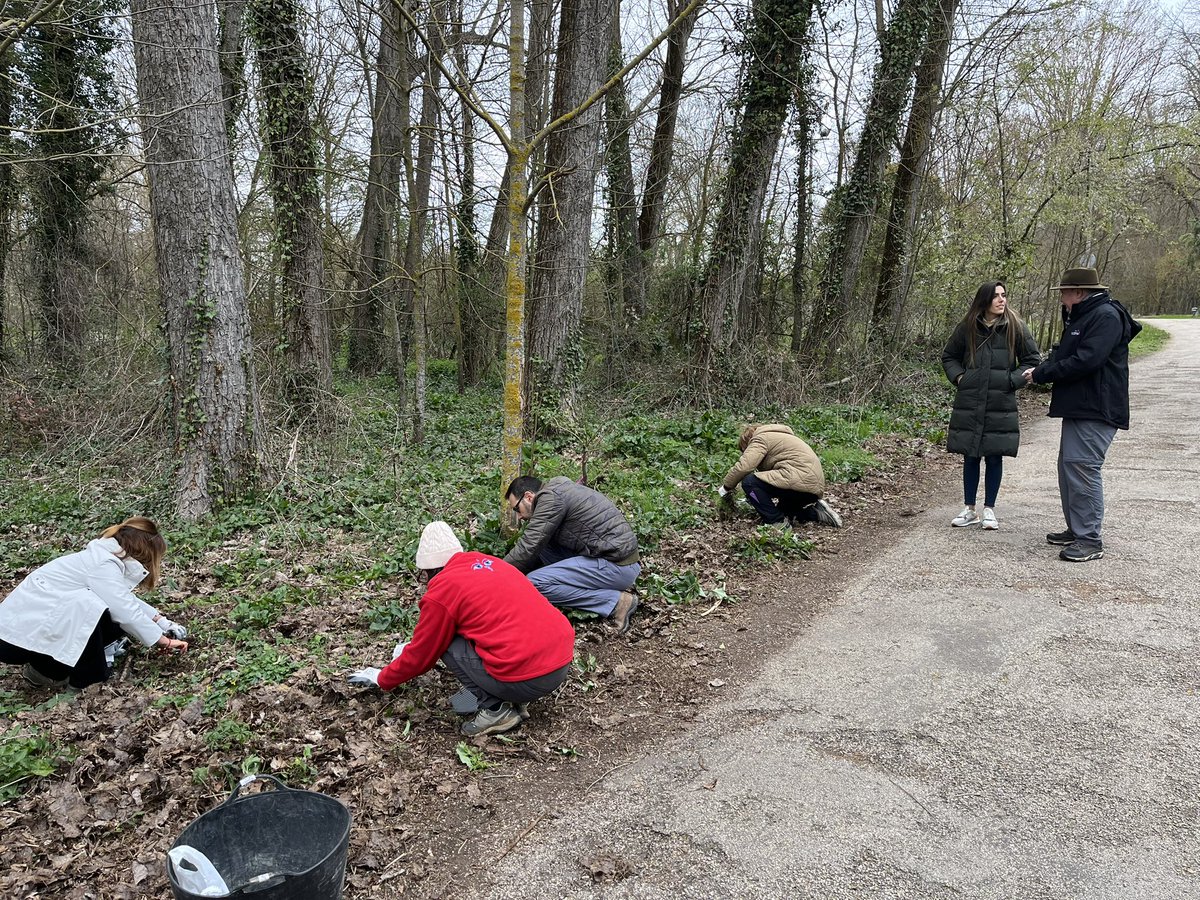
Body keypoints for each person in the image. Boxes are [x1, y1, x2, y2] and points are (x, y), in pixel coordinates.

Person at [348, 521, 576, 737]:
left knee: (446, 643)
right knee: (464, 634)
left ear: (430, 569)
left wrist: (383, 677)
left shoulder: (443, 589)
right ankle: (513, 697)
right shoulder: (491, 563)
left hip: (528, 677)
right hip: (559, 663)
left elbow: (423, 654)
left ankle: (497, 710)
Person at [1024, 267, 1140, 562]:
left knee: (1082, 468)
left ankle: (1090, 539)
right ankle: (1078, 529)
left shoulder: (1105, 317)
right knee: (1068, 468)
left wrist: (1042, 373)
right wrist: (1042, 369)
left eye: (1064, 293)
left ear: (1078, 292)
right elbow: (1068, 354)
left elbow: (1086, 360)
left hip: (1096, 408)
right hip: (1080, 407)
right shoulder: (1084, 316)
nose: (1061, 299)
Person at [0, 517, 189, 691]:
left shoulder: (100, 559)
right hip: (14, 639)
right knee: (93, 609)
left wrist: (161, 622)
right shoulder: (103, 564)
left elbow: (122, 598)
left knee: (99, 611)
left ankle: (46, 671)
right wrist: (163, 641)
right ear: (145, 552)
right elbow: (124, 609)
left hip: (21, 632)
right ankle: (85, 681)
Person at [941, 280, 1042, 530]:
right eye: (996, 296)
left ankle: (990, 509)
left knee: (995, 455)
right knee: (971, 454)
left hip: (1000, 400)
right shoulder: (968, 326)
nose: (1001, 300)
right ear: (984, 300)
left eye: (1004, 295)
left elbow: (1032, 359)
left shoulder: (1015, 326)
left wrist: (1011, 381)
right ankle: (969, 509)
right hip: (971, 400)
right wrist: (961, 378)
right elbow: (949, 356)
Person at [503, 476, 640, 635]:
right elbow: (533, 547)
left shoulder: (551, 499)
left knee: (535, 583)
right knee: (543, 545)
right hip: (616, 561)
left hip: (617, 566)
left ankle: (617, 602)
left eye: (516, 509)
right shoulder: (558, 490)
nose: (518, 516)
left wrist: (495, 575)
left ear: (528, 497)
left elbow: (527, 547)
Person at [719, 424, 843, 528]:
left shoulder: (760, 438)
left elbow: (745, 466)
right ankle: (816, 512)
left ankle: (776, 523)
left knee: (749, 482)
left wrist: (726, 487)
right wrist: (753, 497)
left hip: (796, 480)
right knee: (783, 512)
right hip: (811, 489)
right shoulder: (783, 437)